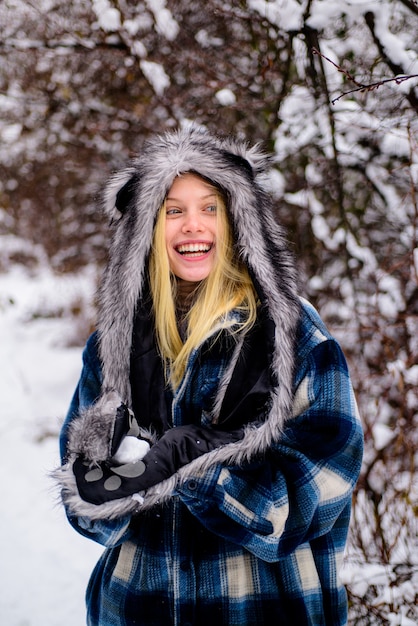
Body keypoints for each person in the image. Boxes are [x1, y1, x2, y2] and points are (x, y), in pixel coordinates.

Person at [54, 126, 363, 626]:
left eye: (210, 208)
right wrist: (99, 486)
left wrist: (197, 465)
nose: (192, 226)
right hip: (137, 606)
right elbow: (86, 507)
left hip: (261, 608)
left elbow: (326, 480)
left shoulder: (291, 331)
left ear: (239, 221)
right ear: (148, 229)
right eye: (173, 210)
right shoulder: (115, 342)